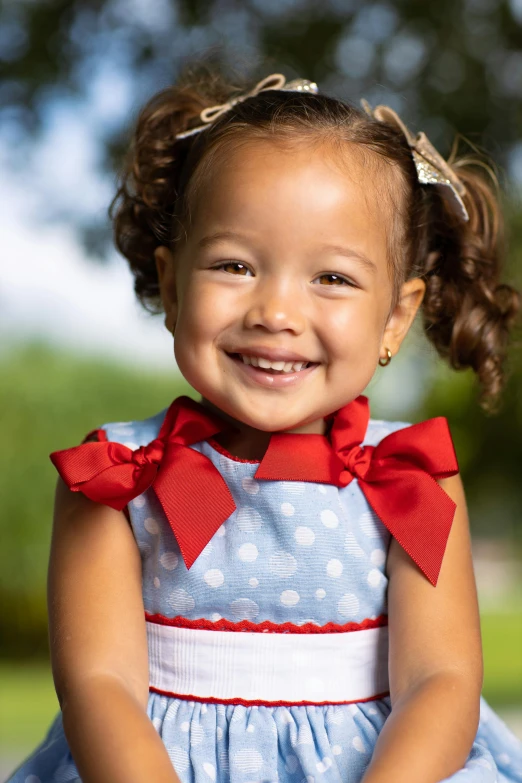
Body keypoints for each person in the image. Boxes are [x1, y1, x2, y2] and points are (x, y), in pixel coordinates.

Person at [7, 64, 522, 783]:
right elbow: (101, 685)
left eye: (332, 277)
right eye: (234, 265)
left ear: (396, 317)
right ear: (172, 283)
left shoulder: (408, 473)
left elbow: (439, 680)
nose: (276, 312)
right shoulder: (117, 475)